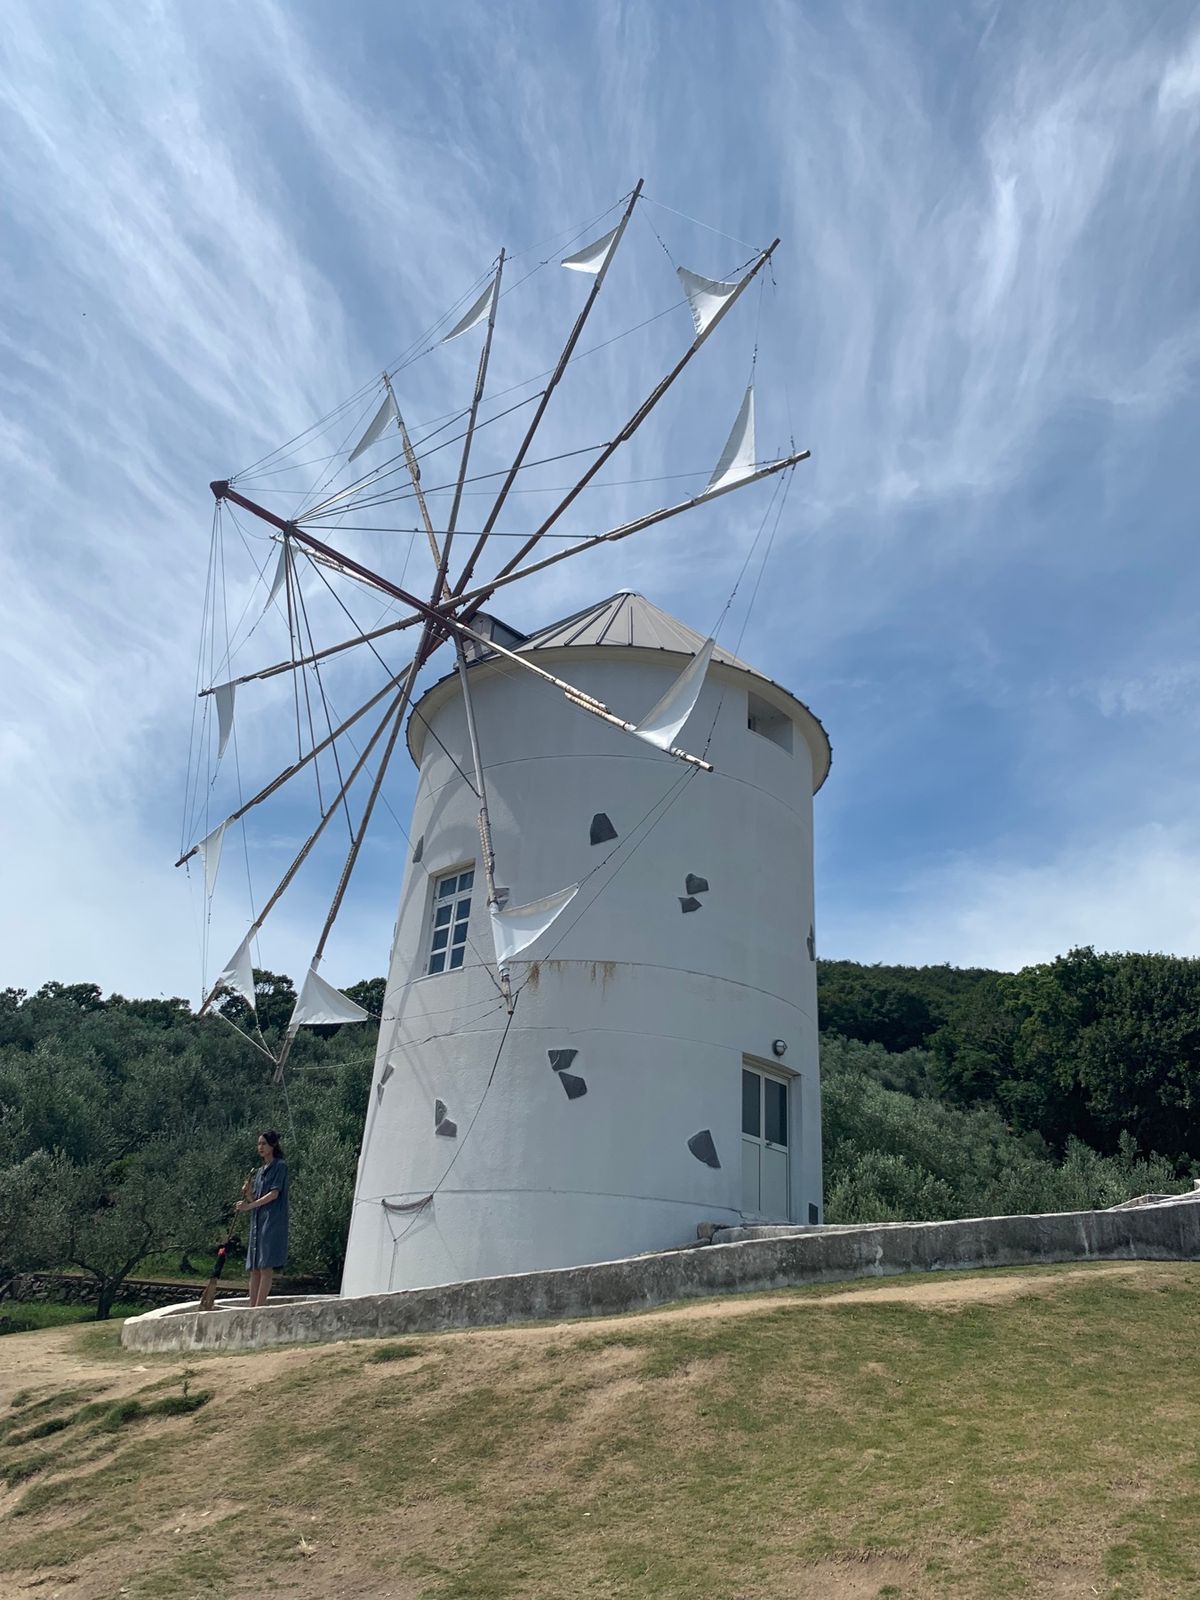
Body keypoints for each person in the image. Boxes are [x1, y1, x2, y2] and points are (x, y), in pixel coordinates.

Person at [235, 1130, 289, 1307]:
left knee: (266, 1265)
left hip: (271, 1221)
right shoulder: (259, 1172)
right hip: (257, 1222)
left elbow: (273, 1194)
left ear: (273, 1145)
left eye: (264, 1144)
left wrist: (249, 1206)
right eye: (259, 1144)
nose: (260, 1147)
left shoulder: (280, 1166)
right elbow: (256, 1200)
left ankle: (259, 1307)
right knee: (255, 1267)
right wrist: (248, 1194)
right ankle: (252, 1307)